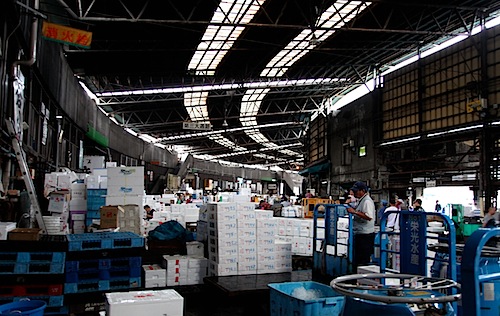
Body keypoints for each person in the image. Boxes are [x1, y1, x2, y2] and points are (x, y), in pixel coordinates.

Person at [346, 181, 375, 271]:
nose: (354, 193)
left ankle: (361, 279)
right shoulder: (361, 200)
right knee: (358, 259)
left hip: (365, 235)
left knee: (363, 259)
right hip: (360, 233)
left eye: (356, 191)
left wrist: (354, 212)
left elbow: (369, 217)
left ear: (362, 191)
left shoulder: (366, 201)